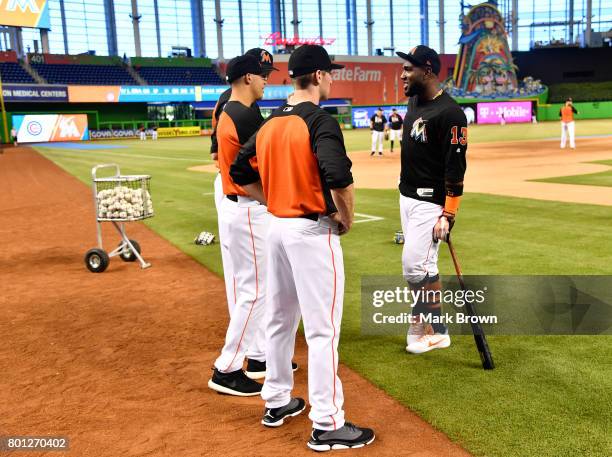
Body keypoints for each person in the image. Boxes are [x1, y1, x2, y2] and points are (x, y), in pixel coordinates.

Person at [231, 44, 375, 451]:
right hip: (310, 233)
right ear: (316, 77)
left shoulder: (272, 122)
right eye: (329, 73)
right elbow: (339, 177)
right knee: (322, 329)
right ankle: (327, 423)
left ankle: (276, 401)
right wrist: (345, 217)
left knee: (278, 320)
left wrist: (271, 199)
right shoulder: (319, 121)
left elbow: (240, 172)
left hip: (275, 228)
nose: (332, 78)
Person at [207, 54, 278, 396]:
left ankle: (259, 355)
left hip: (243, 208)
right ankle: (228, 367)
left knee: (257, 289)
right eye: (263, 75)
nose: (267, 80)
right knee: (255, 291)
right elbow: (260, 167)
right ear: (247, 77)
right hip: (248, 208)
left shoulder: (235, 110)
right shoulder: (241, 115)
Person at [396, 45, 468, 354]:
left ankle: (428, 324)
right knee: (425, 267)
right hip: (406, 196)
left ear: (427, 70)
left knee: (414, 267)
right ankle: (433, 328)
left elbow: (456, 167)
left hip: (431, 203)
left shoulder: (451, 113)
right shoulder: (413, 101)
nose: (402, 74)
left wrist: (448, 214)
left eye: (408, 68)